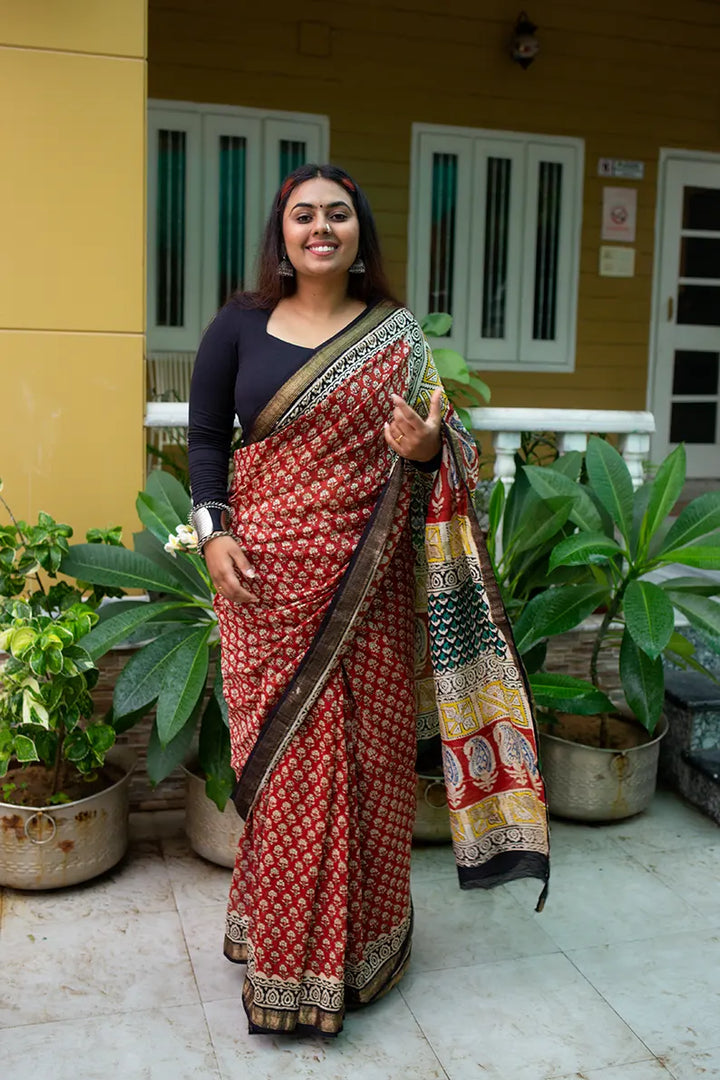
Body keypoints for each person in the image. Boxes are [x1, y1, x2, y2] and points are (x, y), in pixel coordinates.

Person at [187, 163, 549, 1038]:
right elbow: (204, 441)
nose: (321, 228)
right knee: (287, 781)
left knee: (369, 769)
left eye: (338, 215)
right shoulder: (238, 324)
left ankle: (359, 956)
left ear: (359, 234)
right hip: (264, 586)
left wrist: (426, 448)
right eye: (303, 215)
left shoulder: (395, 336)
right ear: (282, 233)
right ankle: (281, 958)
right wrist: (213, 534)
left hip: (369, 593)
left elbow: (443, 447)